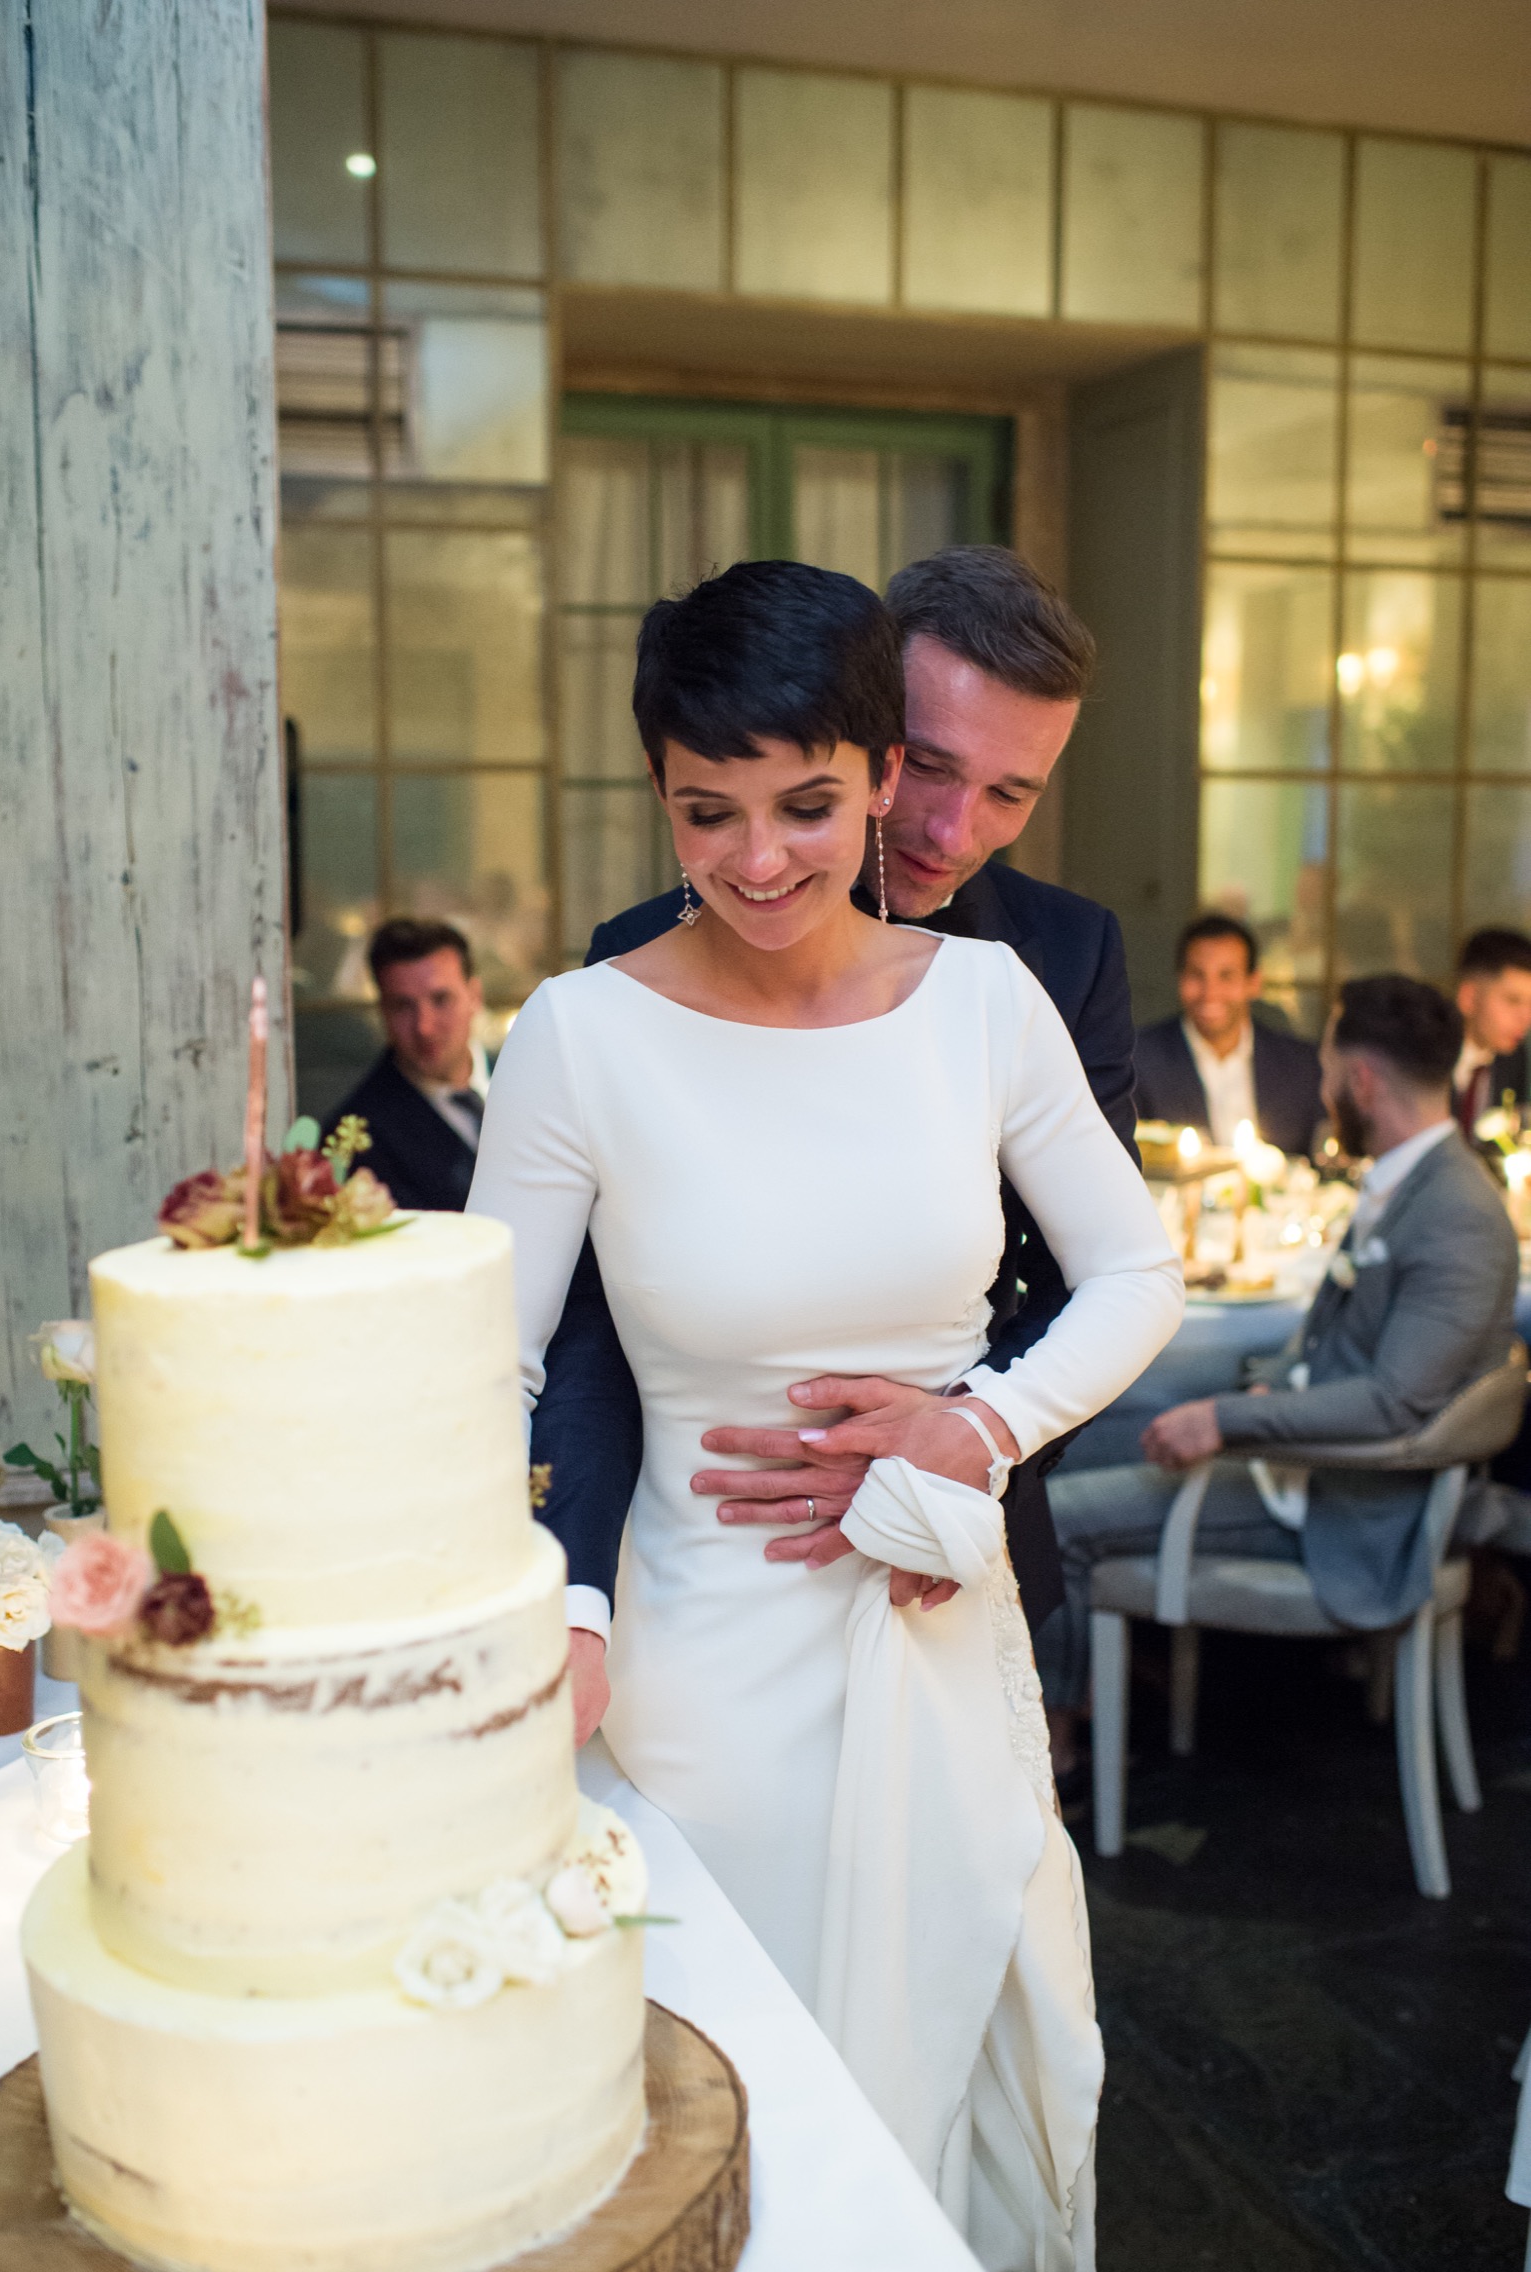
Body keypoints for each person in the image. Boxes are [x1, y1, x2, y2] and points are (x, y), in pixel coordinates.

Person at [470, 560, 1183, 2272]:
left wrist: (978, 1425)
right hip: (695, 1656)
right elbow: (491, 1368)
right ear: (658, 792)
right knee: (726, 2099)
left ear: (872, 776)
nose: (762, 859)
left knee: (944, 2063)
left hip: (933, 1630)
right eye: (710, 814)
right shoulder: (576, 1033)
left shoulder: (994, 1003)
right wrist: (551, 1601)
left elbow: (1134, 1271)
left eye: (807, 806)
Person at [533, 546, 1141, 1737]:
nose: (954, 829)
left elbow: (1087, 1287)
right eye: (934, 770)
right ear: (865, 733)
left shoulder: (1054, 964)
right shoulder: (624, 973)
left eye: (1012, 794)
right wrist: (575, 1592)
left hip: (947, 1554)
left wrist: (946, 1454)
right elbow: (583, 1330)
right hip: (699, 1565)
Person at [1042, 974, 1519, 1767]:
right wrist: (1268, 1389)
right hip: (1311, 1471)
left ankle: (1052, 1748)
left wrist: (1224, 1420)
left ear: (1361, 1081)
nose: (1324, 1088)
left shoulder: (1455, 1215)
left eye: (1330, 1071)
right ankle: (1096, 1679)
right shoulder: (1414, 1179)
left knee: (1054, 1517)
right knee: (1072, 1445)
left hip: (1350, 1509)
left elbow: (1392, 1404)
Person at [321, 919, 487, 1211]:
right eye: (403, 1006)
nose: (424, 1027)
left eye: (440, 999)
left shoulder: (530, 1075)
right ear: (382, 1011)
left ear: (475, 996)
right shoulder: (356, 1138)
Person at [1133, 911, 1323, 1153]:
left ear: (1253, 982)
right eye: (1196, 975)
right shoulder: (1140, 1059)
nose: (1210, 993)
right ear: (1179, 979)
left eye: (1226, 976)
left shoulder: (1300, 1064)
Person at [1453, 924, 1531, 1138]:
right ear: (1468, 998)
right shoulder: (1424, 1055)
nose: (1526, 1018)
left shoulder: (1513, 1056)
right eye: (1513, 1001)